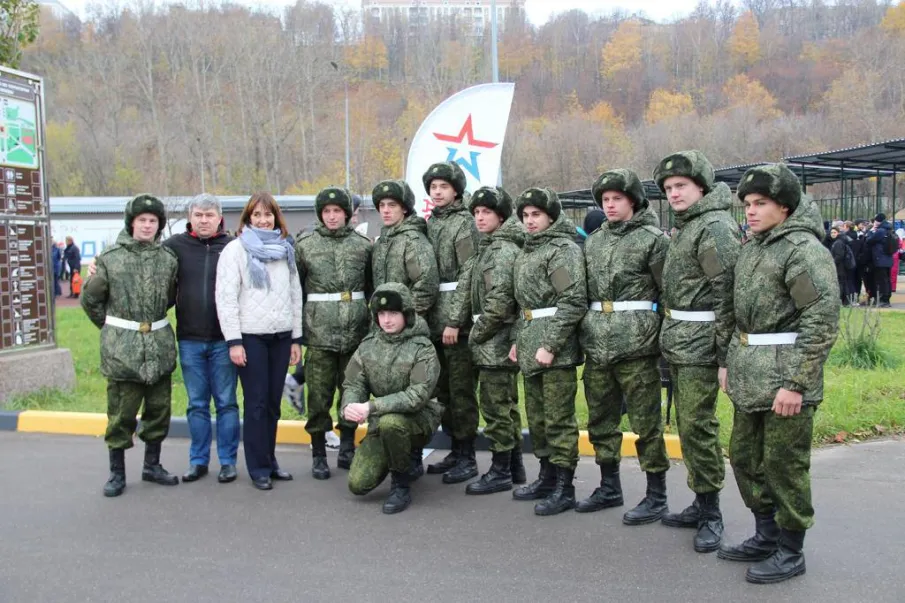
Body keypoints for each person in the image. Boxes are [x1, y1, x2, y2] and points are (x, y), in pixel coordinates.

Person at [720, 164, 839, 584]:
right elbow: (733, 314)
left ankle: (791, 549)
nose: (750, 212)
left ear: (785, 207)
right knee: (746, 458)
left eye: (761, 204)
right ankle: (765, 533)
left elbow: (820, 321)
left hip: (786, 378)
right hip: (748, 373)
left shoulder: (803, 251)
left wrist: (796, 384)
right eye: (748, 204)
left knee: (784, 465)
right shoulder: (753, 248)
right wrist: (725, 362)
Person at [653, 150, 741, 552]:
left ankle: (711, 513)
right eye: (668, 188)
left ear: (701, 187)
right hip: (680, 341)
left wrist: (725, 357)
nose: (674, 193)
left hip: (702, 346)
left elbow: (727, 296)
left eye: (681, 186)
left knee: (697, 426)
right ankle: (699, 500)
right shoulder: (689, 226)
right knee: (689, 426)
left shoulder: (714, 228)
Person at [577, 169, 671, 524]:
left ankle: (656, 494)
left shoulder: (653, 240)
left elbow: (668, 291)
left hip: (638, 346)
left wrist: (658, 337)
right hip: (598, 345)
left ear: (633, 200)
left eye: (617, 198)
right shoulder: (595, 241)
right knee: (601, 419)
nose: (610, 205)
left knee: (647, 423)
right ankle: (609, 486)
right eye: (605, 200)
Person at [80, 195, 179, 497]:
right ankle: (117, 473)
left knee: (159, 410)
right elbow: (91, 300)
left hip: (159, 347)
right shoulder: (110, 259)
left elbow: (172, 297)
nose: (147, 226)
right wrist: (114, 331)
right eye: (142, 220)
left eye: (153, 221)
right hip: (123, 352)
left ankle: (152, 465)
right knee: (122, 414)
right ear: (131, 223)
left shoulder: (168, 259)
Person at [216, 192, 303, 491]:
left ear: (276, 218)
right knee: (256, 404)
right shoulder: (235, 250)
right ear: (248, 219)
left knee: (273, 407)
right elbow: (226, 299)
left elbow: (295, 295)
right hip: (250, 338)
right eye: (257, 215)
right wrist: (234, 342)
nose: (263, 220)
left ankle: (270, 458)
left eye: (269, 215)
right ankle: (258, 468)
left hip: (281, 337)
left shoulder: (285, 250)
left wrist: (296, 338)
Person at [510, 187, 587, 516]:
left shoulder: (561, 249)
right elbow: (524, 306)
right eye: (525, 216)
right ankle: (546, 476)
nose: (529, 221)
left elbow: (571, 301)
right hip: (530, 344)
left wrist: (550, 345)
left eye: (536, 215)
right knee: (538, 419)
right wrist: (519, 340)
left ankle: (564, 486)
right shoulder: (528, 250)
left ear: (551, 217)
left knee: (558, 420)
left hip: (555, 351)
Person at [448, 186, 527, 494]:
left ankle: (500, 470)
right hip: (493, 338)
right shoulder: (489, 247)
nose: (480, 218)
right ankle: (515, 465)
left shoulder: (503, 251)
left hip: (495, 338)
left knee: (496, 407)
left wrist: (477, 336)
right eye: (477, 213)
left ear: (501, 216)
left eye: (487, 213)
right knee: (504, 404)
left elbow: (499, 302)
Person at [341, 282, 442, 514]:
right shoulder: (367, 346)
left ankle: (400, 485)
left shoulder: (423, 347)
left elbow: (416, 396)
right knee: (358, 484)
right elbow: (353, 382)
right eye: (382, 314)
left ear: (406, 314)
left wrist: (372, 407)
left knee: (391, 423)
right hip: (382, 418)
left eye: (393, 313)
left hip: (419, 419)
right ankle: (405, 457)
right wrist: (350, 406)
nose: (387, 320)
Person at [295, 186, 372, 479]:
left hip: (355, 333)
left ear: (347, 214)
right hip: (320, 334)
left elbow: (370, 287)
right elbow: (297, 290)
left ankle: (347, 447)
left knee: (351, 392)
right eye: (326, 212)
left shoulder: (363, 245)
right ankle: (317, 451)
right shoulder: (305, 245)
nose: (331, 216)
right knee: (318, 396)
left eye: (337, 211)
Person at [164, 194, 240, 484]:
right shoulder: (174, 247)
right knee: (197, 403)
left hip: (225, 340)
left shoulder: (233, 247)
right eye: (199, 214)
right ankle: (198, 461)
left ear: (219, 217)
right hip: (189, 339)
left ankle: (228, 461)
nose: (204, 220)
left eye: (209, 215)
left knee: (226, 402)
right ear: (190, 217)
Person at [370, 179, 439, 476]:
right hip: (384, 332)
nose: (386, 211)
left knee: (411, 393)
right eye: (382, 206)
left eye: (392, 206)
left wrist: (405, 320)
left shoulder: (412, 240)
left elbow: (425, 285)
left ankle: (411, 456)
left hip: (409, 333)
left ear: (405, 209)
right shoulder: (384, 240)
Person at [423, 162, 481, 484]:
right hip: (432, 321)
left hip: (454, 324)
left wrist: (455, 320)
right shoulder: (430, 224)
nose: (437, 192)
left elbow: (468, 273)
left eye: (443, 187)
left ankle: (467, 454)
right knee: (442, 389)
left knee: (461, 390)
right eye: (433, 188)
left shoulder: (463, 224)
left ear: (456, 190)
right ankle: (455, 451)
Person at [866, 213, 895, 307]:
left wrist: (871, 231)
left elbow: (869, 240)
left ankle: (883, 300)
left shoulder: (880, 231)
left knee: (881, 280)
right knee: (887, 280)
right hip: (888, 259)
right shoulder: (890, 229)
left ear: (878, 221)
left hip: (880, 259)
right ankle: (887, 298)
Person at [828, 226, 854, 306]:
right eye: (831, 233)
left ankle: (844, 301)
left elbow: (839, 256)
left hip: (840, 267)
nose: (832, 234)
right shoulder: (838, 241)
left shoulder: (838, 243)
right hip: (840, 267)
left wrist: (832, 263)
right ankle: (845, 301)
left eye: (834, 232)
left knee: (841, 284)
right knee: (843, 283)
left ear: (838, 233)